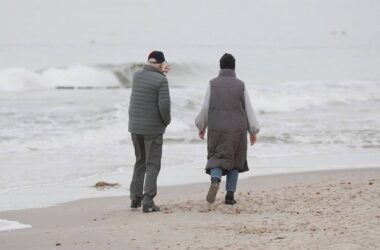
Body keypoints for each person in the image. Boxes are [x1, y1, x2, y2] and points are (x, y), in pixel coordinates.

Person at [195, 53, 260, 205]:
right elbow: (248, 108)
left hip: (217, 126)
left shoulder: (212, 84)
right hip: (237, 128)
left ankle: (216, 179)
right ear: (234, 67)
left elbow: (205, 107)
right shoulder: (241, 85)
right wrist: (253, 131)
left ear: (220, 66)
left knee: (217, 157)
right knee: (235, 159)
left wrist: (201, 126)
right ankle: (230, 195)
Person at [128, 51, 171, 213]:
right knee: (152, 164)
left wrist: (160, 71)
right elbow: (164, 107)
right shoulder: (161, 80)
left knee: (140, 161)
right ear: (161, 63)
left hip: (135, 127)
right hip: (152, 128)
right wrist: (166, 122)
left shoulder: (136, 75)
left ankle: (135, 198)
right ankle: (148, 200)